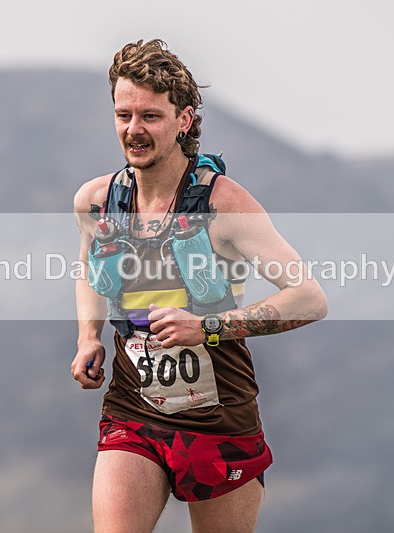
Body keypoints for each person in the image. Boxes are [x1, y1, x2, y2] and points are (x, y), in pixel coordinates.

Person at [71, 39, 328, 533]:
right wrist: (89, 336)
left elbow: (310, 298)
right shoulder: (96, 201)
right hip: (133, 407)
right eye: (123, 114)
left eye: (150, 116)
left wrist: (206, 326)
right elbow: (87, 268)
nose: (133, 130)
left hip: (218, 417)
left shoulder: (225, 205)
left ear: (184, 120)